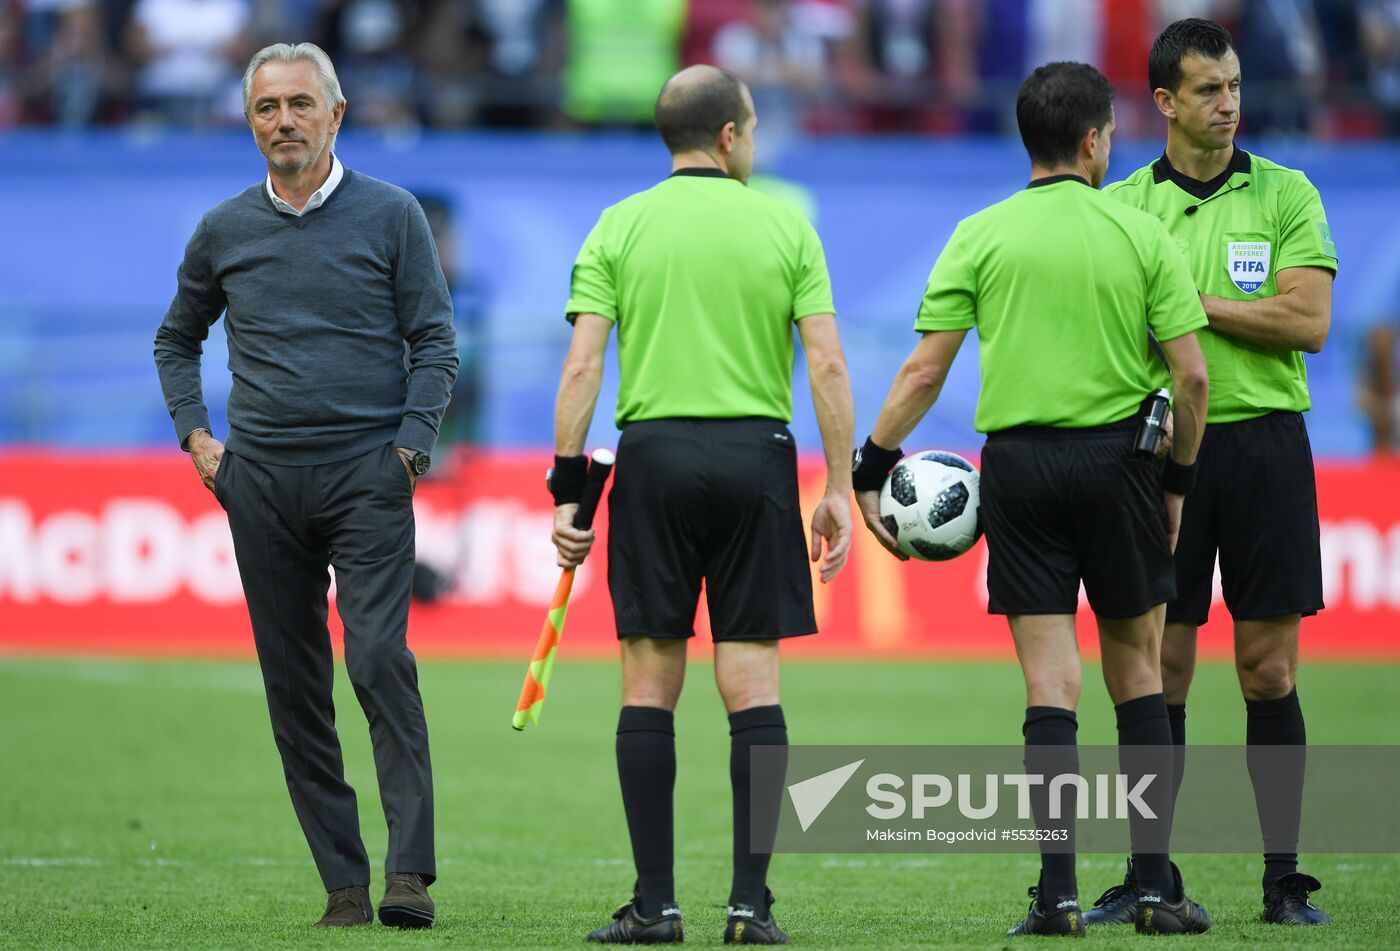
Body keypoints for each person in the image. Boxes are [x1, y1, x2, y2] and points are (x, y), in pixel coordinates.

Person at [853, 61, 1212, 937]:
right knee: (1138, 673)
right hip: (1119, 465)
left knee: (1050, 685)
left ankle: (1056, 895)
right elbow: (1193, 378)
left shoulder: (979, 234)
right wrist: (1175, 482)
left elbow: (924, 368)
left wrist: (872, 462)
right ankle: (1157, 889)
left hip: (1018, 470)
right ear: (1093, 141)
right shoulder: (1138, 234)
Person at [153, 42, 458, 929]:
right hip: (262, 483)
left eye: (298, 105)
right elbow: (177, 339)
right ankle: (344, 886)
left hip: (368, 476)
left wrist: (408, 448)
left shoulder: (394, 214)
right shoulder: (222, 229)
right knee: (293, 686)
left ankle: (409, 875)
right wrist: (199, 439)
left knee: (377, 661)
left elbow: (434, 339)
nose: (282, 121)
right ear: (250, 123)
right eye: (265, 108)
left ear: (336, 113)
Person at [551, 64, 854, 945]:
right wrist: (835, 485)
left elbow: (581, 368)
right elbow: (828, 367)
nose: (754, 142)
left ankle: (655, 906)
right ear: (729, 135)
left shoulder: (620, 224)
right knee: (751, 682)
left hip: (654, 458)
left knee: (650, 682)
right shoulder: (785, 224)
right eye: (752, 127)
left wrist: (571, 491)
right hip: (757, 456)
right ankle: (749, 908)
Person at [1089, 18, 1338, 928]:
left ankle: (1284, 878)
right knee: (1164, 665)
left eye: (1232, 86)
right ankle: (1152, 872)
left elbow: (1307, 321)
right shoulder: (1121, 207)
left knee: (1268, 669)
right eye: (1207, 89)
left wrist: (1188, 305)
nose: (1228, 102)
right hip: (1159, 452)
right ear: (1163, 101)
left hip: (1268, 445)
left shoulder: (1287, 193)